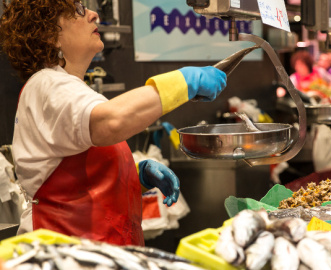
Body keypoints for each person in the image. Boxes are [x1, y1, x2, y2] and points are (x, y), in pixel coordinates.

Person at [0, 0, 227, 246]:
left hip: (99, 251)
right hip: (66, 253)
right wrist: (185, 81)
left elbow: (81, 178)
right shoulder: (47, 84)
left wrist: (135, 176)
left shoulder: (69, 88)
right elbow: (110, 122)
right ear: (50, 35)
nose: (94, 14)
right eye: (78, 10)